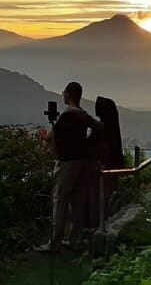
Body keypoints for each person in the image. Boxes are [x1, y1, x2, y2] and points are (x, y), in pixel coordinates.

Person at [36, 82, 103, 252]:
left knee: (60, 201)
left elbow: (50, 137)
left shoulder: (66, 116)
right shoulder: (82, 115)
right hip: (82, 163)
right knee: (77, 202)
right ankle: (75, 240)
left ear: (68, 94)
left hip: (66, 164)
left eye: (64, 92)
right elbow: (99, 128)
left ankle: (55, 243)